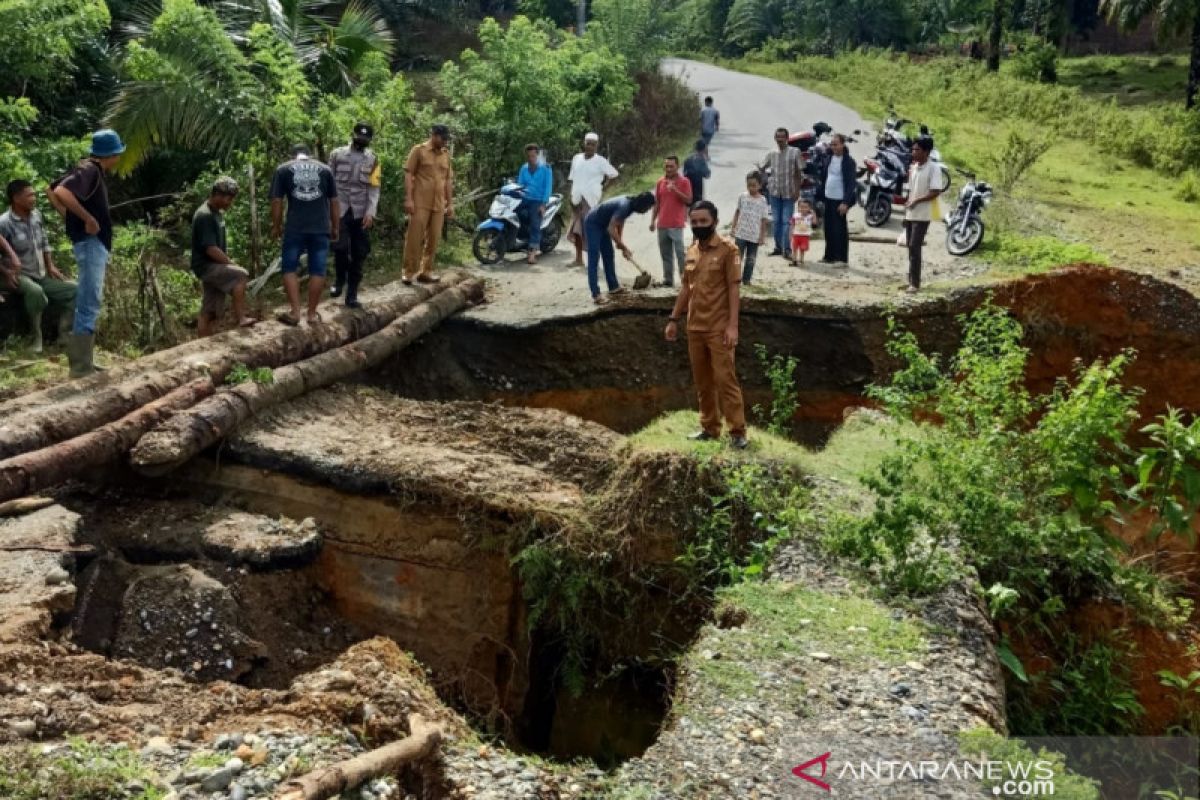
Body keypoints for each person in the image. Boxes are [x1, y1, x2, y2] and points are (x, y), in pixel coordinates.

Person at [664, 200, 747, 450]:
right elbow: (685, 290)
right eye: (695, 221)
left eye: (704, 221)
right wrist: (673, 319)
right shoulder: (692, 251)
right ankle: (709, 427)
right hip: (695, 328)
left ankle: (737, 432)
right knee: (702, 382)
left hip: (719, 329)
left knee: (725, 380)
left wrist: (733, 327)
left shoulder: (728, 250)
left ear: (714, 221)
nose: (699, 225)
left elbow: (734, 290)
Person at [48, 128, 124, 378]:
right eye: (117, 154)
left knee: (88, 300)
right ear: (110, 154)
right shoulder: (90, 170)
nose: (118, 158)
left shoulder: (89, 170)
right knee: (89, 301)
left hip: (92, 243)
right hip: (91, 243)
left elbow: (52, 188)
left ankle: (85, 362)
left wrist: (69, 216)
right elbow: (60, 192)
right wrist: (87, 218)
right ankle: (80, 367)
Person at [0, 180, 76, 353]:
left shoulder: (36, 216)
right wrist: (5, 272)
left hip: (40, 273)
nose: (34, 198)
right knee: (35, 292)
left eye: (34, 194)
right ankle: (36, 338)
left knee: (75, 291)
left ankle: (65, 337)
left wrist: (51, 266)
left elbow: (44, 242)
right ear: (16, 199)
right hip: (19, 275)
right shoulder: (4, 222)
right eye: (29, 195)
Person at [270, 144, 339, 326]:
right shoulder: (325, 170)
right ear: (310, 155)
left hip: (295, 228)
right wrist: (335, 227)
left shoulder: (283, 169)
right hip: (320, 228)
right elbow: (334, 201)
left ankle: (294, 312)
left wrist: (276, 226)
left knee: (289, 268)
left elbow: (277, 200)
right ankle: (311, 314)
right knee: (317, 269)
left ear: (292, 155)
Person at [192, 177, 256, 336]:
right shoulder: (204, 215)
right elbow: (210, 249)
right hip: (206, 265)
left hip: (213, 265)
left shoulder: (216, 213)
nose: (230, 202)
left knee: (210, 310)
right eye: (229, 198)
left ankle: (203, 345)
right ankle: (241, 318)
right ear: (217, 195)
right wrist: (231, 263)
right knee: (241, 275)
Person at [328, 122, 381, 308]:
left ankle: (352, 294)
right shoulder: (337, 155)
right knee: (340, 249)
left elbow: (374, 188)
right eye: (359, 136)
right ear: (353, 135)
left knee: (359, 253)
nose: (362, 140)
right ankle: (339, 280)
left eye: (366, 138)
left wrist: (370, 212)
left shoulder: (373, 159)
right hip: (340, 210)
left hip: (361, 212)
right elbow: (329, 183)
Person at [403, 123, 454, 285]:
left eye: (446, 138)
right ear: (434, 135)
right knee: (414, 237)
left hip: (438, 204)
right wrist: (409, 199)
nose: (445, 141)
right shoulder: (418, 150)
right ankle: (409, 272)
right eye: (443, 138)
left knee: (433, 238)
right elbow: (409, 174)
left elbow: (448, 181)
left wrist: (450, 204)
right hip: (420, 202)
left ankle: (426, 271)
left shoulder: (446, 155)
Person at [584, 191, 655, 306]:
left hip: (605, 224)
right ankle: (596, 294)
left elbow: (619, 221)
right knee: (594, 258)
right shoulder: (624, 206)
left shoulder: (630, 206)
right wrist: (624, 247)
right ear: (642, 204)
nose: (647, 211)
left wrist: (620, 242)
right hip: (593, 223)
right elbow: (611, 229)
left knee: (608, 254)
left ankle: (613, 287)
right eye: (647, 208)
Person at [567, 132, 618, 267]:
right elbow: (572, 178)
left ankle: (593, 260)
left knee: (589, 230)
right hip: (576, 197)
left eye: (593, 144)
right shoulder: (576, 158)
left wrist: (603, 188)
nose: (590, 146)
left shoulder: (600, 161)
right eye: (588, 143)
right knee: (577, 229)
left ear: (596, 146)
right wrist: (570, 196)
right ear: (584, 143)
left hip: (591, 199)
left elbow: (614, 175)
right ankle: (578, 259)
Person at [902, 136, 946, 293]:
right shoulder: (913, 167)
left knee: (915, 246)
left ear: (926, 152)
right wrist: (908, 202)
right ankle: (911, 280)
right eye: (913, 149)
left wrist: (917, 201)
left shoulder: (934, 168)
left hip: (923, 214)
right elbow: (911, 189)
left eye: (917, 150)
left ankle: (915, 283)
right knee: (910, 246)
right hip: (911, 212)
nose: (913, 152)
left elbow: (935, 191)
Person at [760, 128, 804, 259]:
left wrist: (797, 190)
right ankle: (778, 247)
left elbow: (798, 173)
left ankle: (787, 249)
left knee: (786, 221)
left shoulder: (794, 152)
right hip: (774, 192)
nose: (780, 139)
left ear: (787, 138)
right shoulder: (772, 154)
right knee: (776, 221)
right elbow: (762, 167)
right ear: (775, 138)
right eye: (777, 137)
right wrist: (763, 180)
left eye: (782, 137)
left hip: (789, 193)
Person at [649, 156, 693, 287]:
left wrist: (675, 190)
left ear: (677, 166)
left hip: (677, 224)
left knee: (680, 254)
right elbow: (657, 203)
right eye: (666, 166)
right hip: (662, 224)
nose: (668, 169)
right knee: (666, 254)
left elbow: (689, 200)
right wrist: (652, 221)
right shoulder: (660, 182)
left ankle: (684, 280)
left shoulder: (684, 181)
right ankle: (668, 280)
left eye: (671, 166)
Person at [816, 133, 857, 266]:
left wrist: (845, 202)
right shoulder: (828, 158)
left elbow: (851, 183)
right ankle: (829, 256)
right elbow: (823, 178)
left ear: (842, 144)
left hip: (840, 200)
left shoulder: (848, 162)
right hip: (828, 197)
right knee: (828, 228)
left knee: (839, 229)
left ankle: (841, 259)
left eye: (836, 144)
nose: (833, 147)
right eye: (832, 144)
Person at [729, 172, 770, 285]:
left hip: (754, 235)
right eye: (749, 185)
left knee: (751, 259)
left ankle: (746, 279)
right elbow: (737, 212)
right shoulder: (742, 196)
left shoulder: (763, 200)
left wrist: (762, 236)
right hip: (741, 233)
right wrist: (733, 227)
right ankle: (734, 278)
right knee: (737, 257)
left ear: (760, 185)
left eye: (754, 185)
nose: (751, 188)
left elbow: (764, 220)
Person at [517, 143, 553, 264]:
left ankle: (532, 253)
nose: (531, 158)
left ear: (537, 155)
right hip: (524, 198)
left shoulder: (546, 168)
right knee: (514, 215)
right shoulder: (523, 168)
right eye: (529, 156)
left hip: (537, 200)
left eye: (533, 155)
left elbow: (548, 187)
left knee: (534, 222)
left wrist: (543, 204)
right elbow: (519, 185)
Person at [790, 199, 817, 267]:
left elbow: (814, 223)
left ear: (809, 208)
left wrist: (813, 214)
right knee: (794, 248)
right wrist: (790, 233)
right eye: (801, 207)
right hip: (796, 235)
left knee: (802, 248)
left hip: (805, 236)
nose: (803, 209)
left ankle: (801, 259)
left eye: (805, 207)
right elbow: (792, 224)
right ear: (798, 207)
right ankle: (794, 260)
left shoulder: (810, 216)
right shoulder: (795, 215)